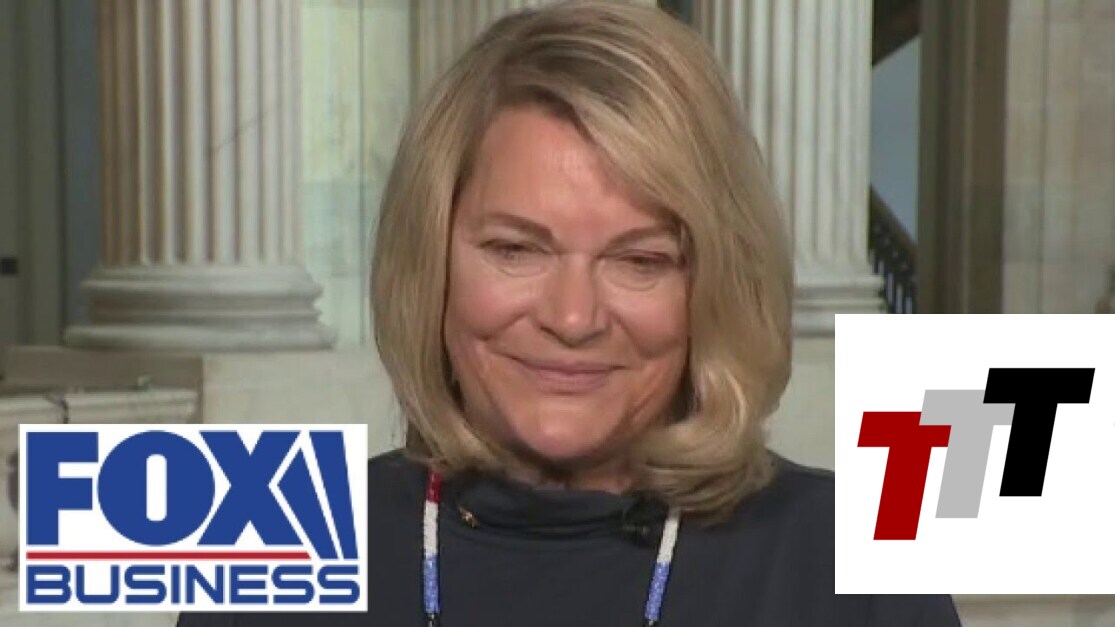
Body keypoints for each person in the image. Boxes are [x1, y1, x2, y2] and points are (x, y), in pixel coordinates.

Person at [180, 2, 961, 625]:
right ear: (431, 264)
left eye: (639, 260)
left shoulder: (852, 568)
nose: (574, 316)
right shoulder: (273, 553)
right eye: (516, 249)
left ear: (712, 287)